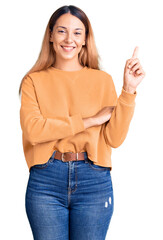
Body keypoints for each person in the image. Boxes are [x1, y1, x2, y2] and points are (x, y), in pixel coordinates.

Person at [18, 5, 145, 240]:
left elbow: (114, 139)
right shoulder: (32, 81)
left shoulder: (102, 80)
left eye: (77, 32)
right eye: (62, 31)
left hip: (93, 180)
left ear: (86, 39)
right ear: (50, 35)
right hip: (46, 180)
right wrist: (91, 120)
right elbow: (34, 131)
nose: (69, 39)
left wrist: (128, 91)